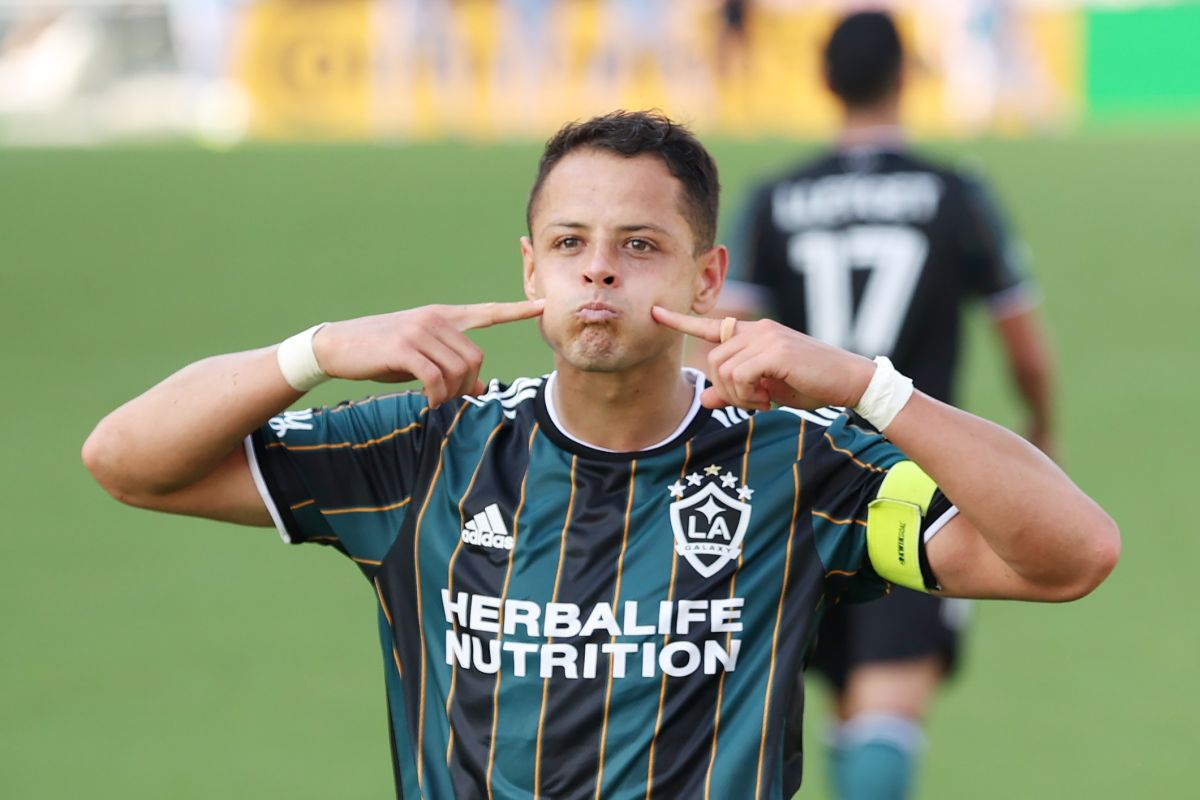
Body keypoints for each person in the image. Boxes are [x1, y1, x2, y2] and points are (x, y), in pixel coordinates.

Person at [82, 110, 1116, 799]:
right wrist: (312, 352)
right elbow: (127, 459)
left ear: (708, 277)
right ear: (531, 268)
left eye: (639, 244)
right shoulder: (426, 448)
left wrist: (866, 387)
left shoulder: (797, 466)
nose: (601, 274)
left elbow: (1072, 554)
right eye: (570, 244)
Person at [715, 12, 1057, 799]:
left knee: (802, 697)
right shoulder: (956, 193)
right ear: (906, 76)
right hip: (914, 474)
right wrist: (1041, 433)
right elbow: (1026, 349)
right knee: (887, 704)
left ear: (825, 82)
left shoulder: (776, 199)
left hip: (791, 476)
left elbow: (719, 347)